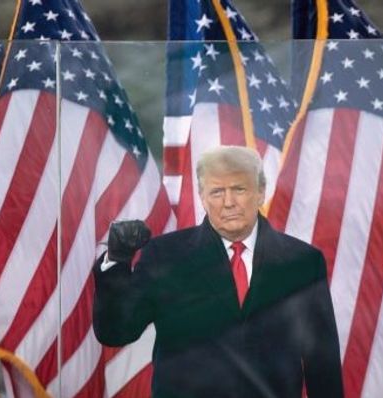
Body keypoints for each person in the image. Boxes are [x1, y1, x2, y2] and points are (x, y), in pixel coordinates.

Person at [92, 146, 344, 397]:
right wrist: (118, 259)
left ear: (260, 192)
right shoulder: (165, 255)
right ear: (202, 197)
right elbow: (116, 332)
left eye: (239, 189)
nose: (228, 202)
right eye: (217, 192)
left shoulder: (302, 262)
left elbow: (323, 362)